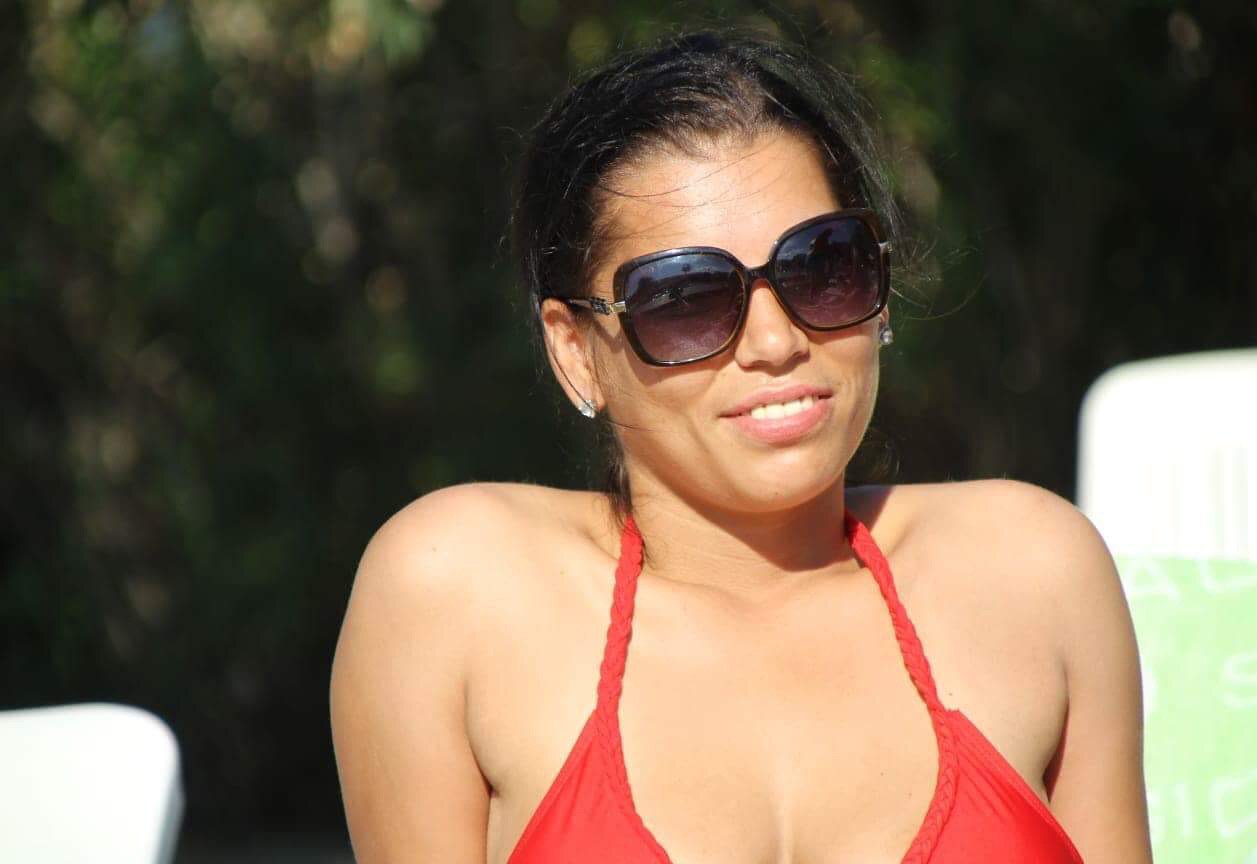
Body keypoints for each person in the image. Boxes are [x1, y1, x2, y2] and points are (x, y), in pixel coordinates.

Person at [329, 31, 1152, 864]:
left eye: (823, 267)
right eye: (684, 299)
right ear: (577, 352)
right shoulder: (456, 592)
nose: (775, 340)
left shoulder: (1033, 574)